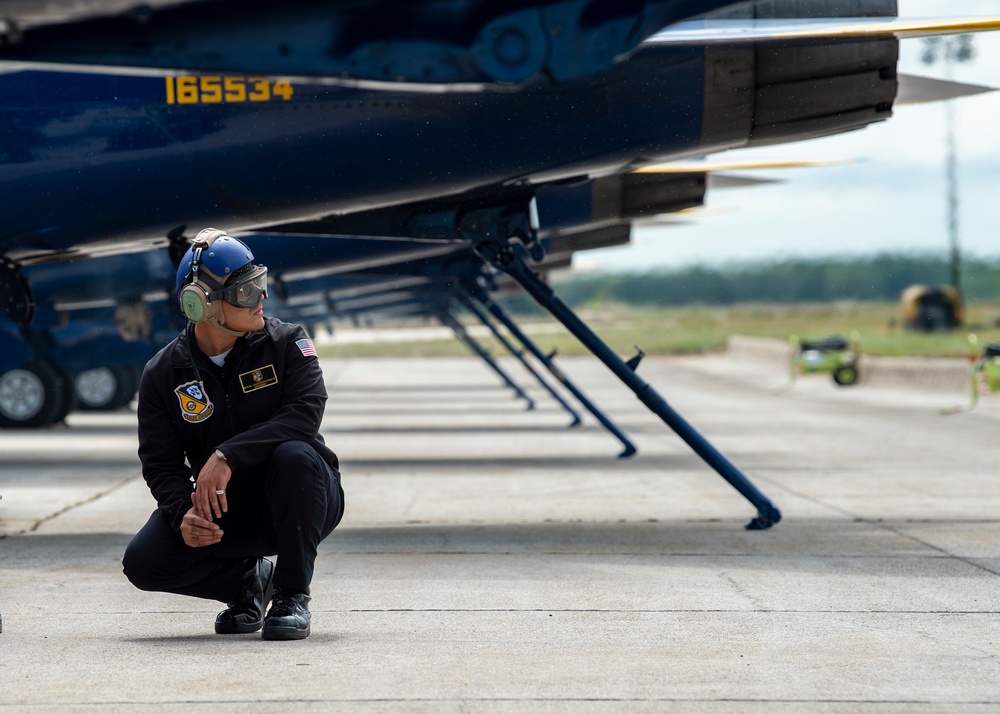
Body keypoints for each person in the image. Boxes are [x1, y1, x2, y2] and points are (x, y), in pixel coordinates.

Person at [122, 228, 344, 640]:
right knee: (144, 560)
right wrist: (181, 513)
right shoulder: (163, 374)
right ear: (200, 304)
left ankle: (292, 595)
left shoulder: (288, 343)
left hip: (301, 498)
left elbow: (304, 415)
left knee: (294, 454)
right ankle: (246, 582)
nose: (260, 299)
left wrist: (227, 456)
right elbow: (161, 464)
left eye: (259, 285)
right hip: (227, 512)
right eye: (245, 292)